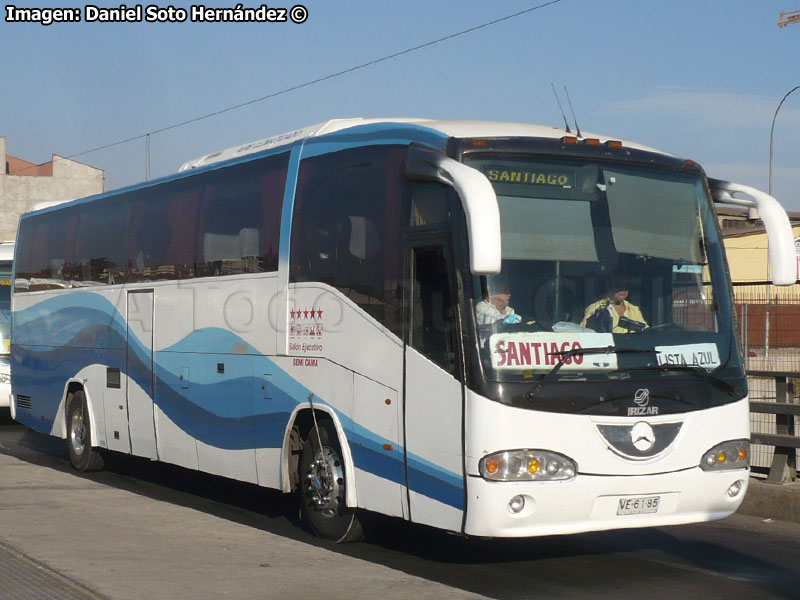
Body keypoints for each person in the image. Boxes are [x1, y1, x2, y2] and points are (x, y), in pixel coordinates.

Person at [581, 274, 647, 333]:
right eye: (618, 286)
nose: (623, 289)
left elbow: (645, 332)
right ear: (608, 286)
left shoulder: (634, 310)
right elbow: (584, 333)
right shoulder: (595, 308)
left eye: (626, 286)